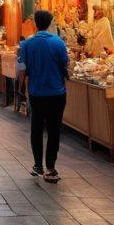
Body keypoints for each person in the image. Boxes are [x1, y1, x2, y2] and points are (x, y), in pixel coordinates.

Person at [17, 10, 68, 183]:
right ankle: (51, 168)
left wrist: (21, 89)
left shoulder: (26, 44)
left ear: (35, 24)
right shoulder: (59, 42)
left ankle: (38, 165)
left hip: (36, 93)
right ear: (50, 23)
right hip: (57, 93)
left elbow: (22, 69)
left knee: (36, 129)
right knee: (54, 130)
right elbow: (65, 65)